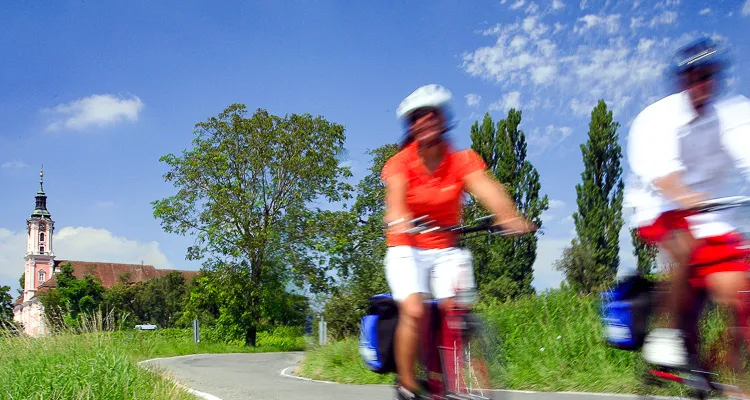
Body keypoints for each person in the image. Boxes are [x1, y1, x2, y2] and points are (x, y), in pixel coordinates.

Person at [381, 83, 536, 399]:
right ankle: (407, 385)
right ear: (410, 126)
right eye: (417, 117)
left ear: (442, 119)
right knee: (414, 311)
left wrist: (509, 215)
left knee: (458, 311)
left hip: (447, 247)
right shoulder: (400, 163)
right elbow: (395, 199)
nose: (425, 121)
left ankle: (463, 385)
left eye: (431, 115)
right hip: (406, 247)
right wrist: (399, 217)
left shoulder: (462, 159)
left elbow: (486, 188)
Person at [625, 37, 750, 369]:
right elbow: (660, 174)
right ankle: (666, 335)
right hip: (659, 207)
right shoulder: (658, 118)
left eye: (708, 76)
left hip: (714, 215)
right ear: (682, 80)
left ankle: (723, 373)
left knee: (740, 289)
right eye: (694, 76)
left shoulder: (734, 115)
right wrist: (685, 197)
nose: (702, 84)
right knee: (684, 240)